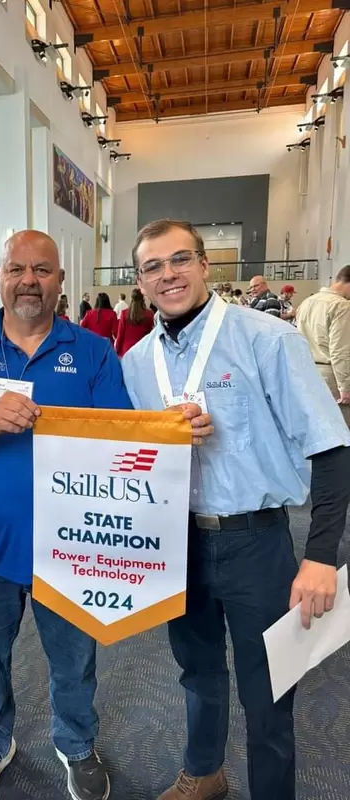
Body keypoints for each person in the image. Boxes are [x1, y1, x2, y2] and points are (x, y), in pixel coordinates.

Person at [0, 229, 212, 800]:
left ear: (60, 280)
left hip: (75, 548)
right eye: (17, 269)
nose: (29, 281)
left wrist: (174, 428)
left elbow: (123, 443)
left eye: (42, 270)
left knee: (74, 661)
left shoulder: (93, 352)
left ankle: (76, 744)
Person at [121, 219, 350, 800]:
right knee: (197, 671)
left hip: (255, 543)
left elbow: (332, 449)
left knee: (269, 689)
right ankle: (204, 774)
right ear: (140, 281)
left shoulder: (265, 339)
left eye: (180, 259)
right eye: (153, 266)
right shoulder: (137, 362)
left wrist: (321, 556)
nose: (168, 274)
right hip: (177, 542)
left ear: (204, 264)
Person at [296, 266, 350, 426]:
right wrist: (345, 386)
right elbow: (340, 351)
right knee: (340, 429)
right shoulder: (342, 306)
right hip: (331, 376)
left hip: (306, 371)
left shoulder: (306, 302)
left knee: (316, 428)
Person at [115, 287, 154, 358]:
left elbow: (120, 334)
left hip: (127, 351)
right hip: (144, 350)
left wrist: (117, 349)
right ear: (143, 299)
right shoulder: (149, 314)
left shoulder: (124, 313)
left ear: (131, 299)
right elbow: (151, 335)